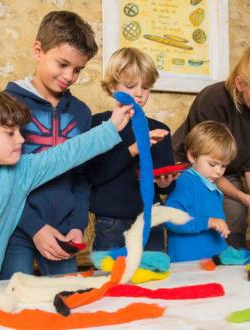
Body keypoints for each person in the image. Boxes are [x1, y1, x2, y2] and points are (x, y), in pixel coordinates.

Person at [0, 88, 131, 285]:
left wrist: (112, 126)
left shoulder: (20, 173)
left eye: (19, 131)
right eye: (10, 133)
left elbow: (67, 153)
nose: (21, 139)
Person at [0, 11, 98, 279]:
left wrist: (78, 225)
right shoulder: (6, 105)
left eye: (78, 69)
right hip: (16, 229)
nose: (69, 76)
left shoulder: (81, 113)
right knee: (14, 301)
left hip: (65, 231)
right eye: (62, 64)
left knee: (66, 301)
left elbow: (80, 176)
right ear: (38, 50)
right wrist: (34, 226)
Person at [172, 42, 250, 248]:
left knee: (238, 210)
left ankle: (233, 260)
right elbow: (206, 165)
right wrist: (247, 200)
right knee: (224, 208)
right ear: (240, 84)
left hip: (228, 168)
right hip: (194, 167)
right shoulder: (213, 99)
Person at [85, 47, 177, 252]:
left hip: (151, 219)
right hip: (111, 222)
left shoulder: (160, 130)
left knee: (152, 276)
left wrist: (166, 182)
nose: (139, 93)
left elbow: (165, 188)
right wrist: (135, 148)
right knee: (111, 279)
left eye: (146, 87)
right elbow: (95, 175)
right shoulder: (98, 125)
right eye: (130, 85)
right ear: (111, 87)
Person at [166, 121, 237, 262]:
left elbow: (213, 232)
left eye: (223, 166)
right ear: (192, 156)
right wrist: (207, 222)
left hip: (209, 262)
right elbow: (170, 219)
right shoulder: (185, 182)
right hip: (187, 265)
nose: (218, 172)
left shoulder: (211, 185)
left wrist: (225, 250)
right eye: (212, 164)